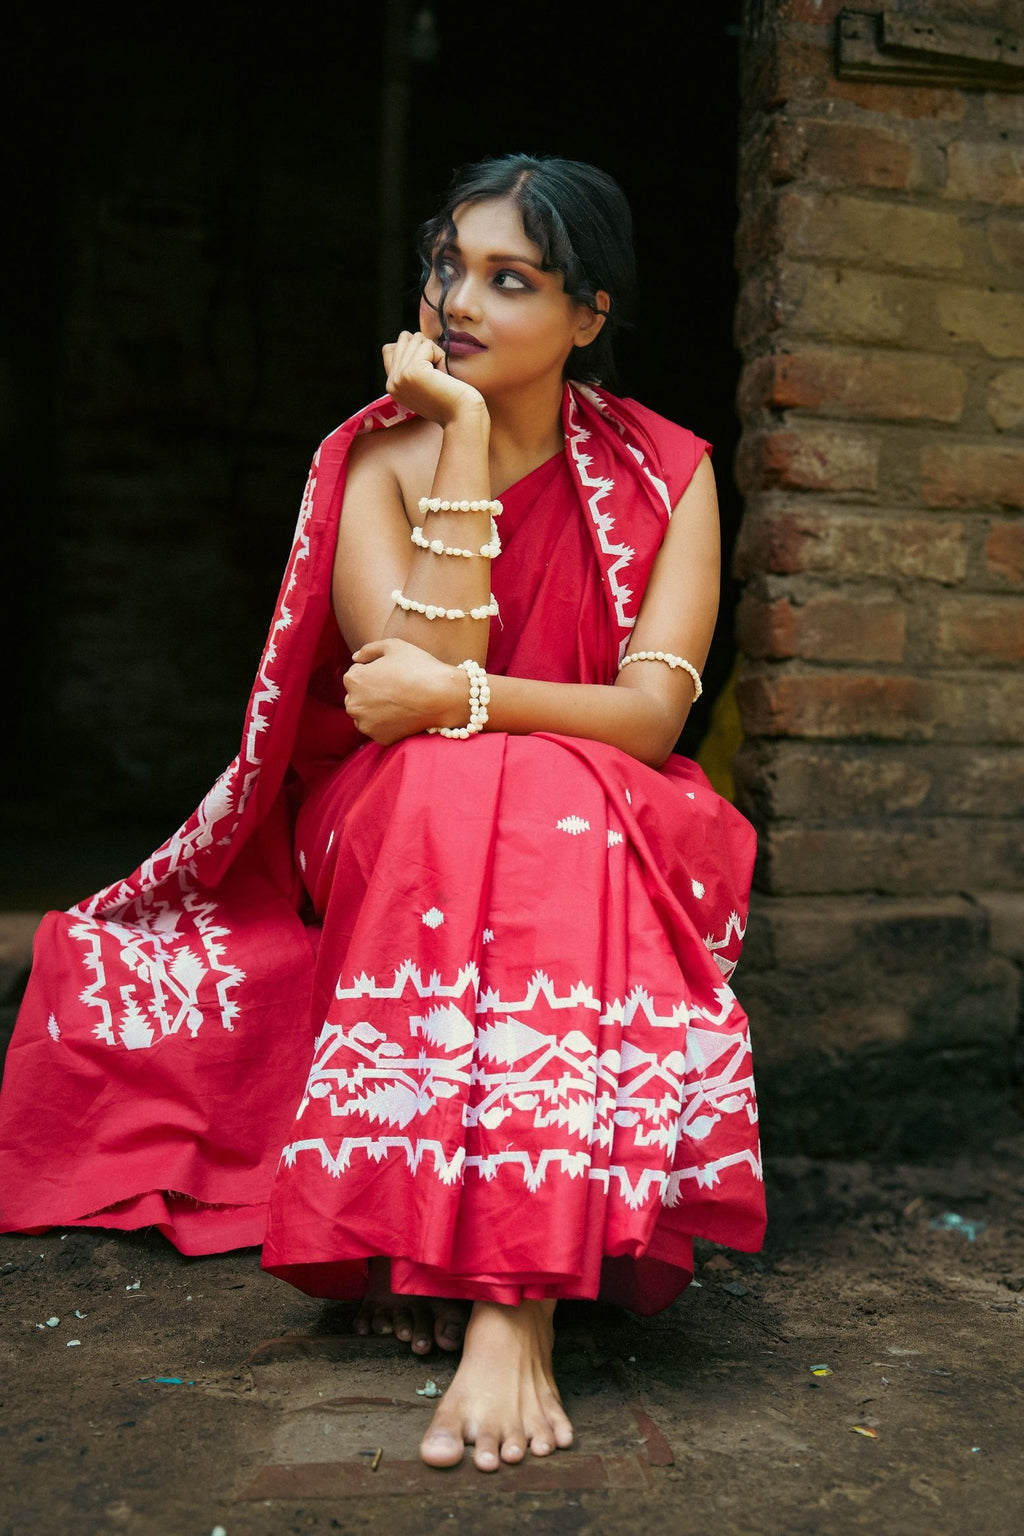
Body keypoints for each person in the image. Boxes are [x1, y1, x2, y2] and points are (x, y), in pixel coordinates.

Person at [0, 153, 766, 1472]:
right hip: (391, 805)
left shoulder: (672, 471)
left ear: (589, 315)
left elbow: (648, 720)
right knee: (477, 778)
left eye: (508, 280)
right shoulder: (378, 456)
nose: (458, 301)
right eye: (447, 267)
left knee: (534, 782)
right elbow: (390, 709)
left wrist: (469, 696)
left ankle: (495, 1295)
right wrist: (464, 436)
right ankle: (500, 1274)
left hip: (608, 805)